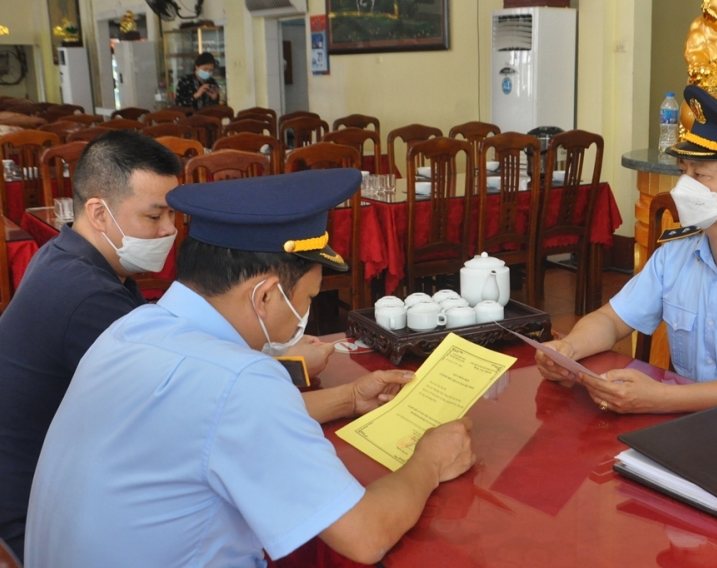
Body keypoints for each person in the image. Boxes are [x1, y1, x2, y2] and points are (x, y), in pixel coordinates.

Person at [25, 169, 475, 567]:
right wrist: (430, 460)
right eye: (308, 298)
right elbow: (365, 535)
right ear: (265, 296)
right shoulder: (239, 380)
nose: (304, 315)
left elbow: (205, 426)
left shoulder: (132, 329)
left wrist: (347, 398)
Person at [536, 85, 717, 428]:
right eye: (683, 171)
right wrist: (568, 350)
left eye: (700, 175)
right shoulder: (676, 253)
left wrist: (662, 398)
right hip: (699, 426)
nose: (683, 187)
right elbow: (612, 319)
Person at [0, 130, 181, 559]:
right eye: (154, 216)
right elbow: (180, 409)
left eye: (172, 214)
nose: (170, 229)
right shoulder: (87, 293)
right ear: (99, 213)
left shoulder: (67, 254)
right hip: (24, 518)